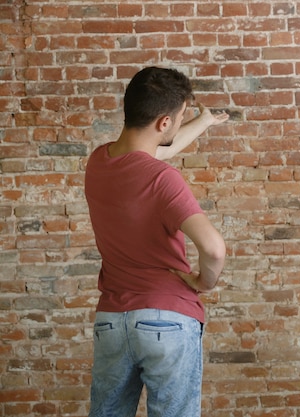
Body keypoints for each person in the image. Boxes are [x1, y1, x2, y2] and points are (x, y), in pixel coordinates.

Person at [84, 66, 229, 417]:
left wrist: (203, 121)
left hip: (112, 321)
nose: (179, 124)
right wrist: (203, 282)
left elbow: (156, 149)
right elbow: (213, 248)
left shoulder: (98, 162)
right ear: (164, 123)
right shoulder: (164, 179)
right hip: (167, 318)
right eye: (179, 118)